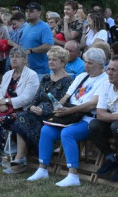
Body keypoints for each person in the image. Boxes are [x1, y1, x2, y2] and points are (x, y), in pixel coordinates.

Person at [28, 48, 108, 186]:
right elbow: (66, 97)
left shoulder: (105, 80)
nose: (86, 65)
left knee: (67, 133)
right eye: (86, 62)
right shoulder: (81, 77)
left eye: (90, 63)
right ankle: (42, 169)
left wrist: (68, 111)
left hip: (88, 119)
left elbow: (92, 104)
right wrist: (58, 107)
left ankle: (73, 175)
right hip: (71, 116)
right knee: (46, 130)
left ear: (100, 65)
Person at [7, 47, 74, 172]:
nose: (50, 62)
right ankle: (20, 157)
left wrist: (44, 111)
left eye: (54, 59)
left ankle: (20, 157)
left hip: (54, 115)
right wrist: (32, 106)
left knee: (23, 118)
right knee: (22, 116)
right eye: (49, 59)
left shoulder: (68, 81)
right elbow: (36, 97)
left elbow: (62, 104)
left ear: (63, 62)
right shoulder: (46, 78)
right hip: (37, 112)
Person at [16, 2, 54, 75]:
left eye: (31, 11)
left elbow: (49, 46)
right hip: (25, 68)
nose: (28, 13)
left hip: (40, 70)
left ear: (39, 13)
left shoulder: (44, 27)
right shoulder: (26, 26)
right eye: (26, 11)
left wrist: (31, 50)